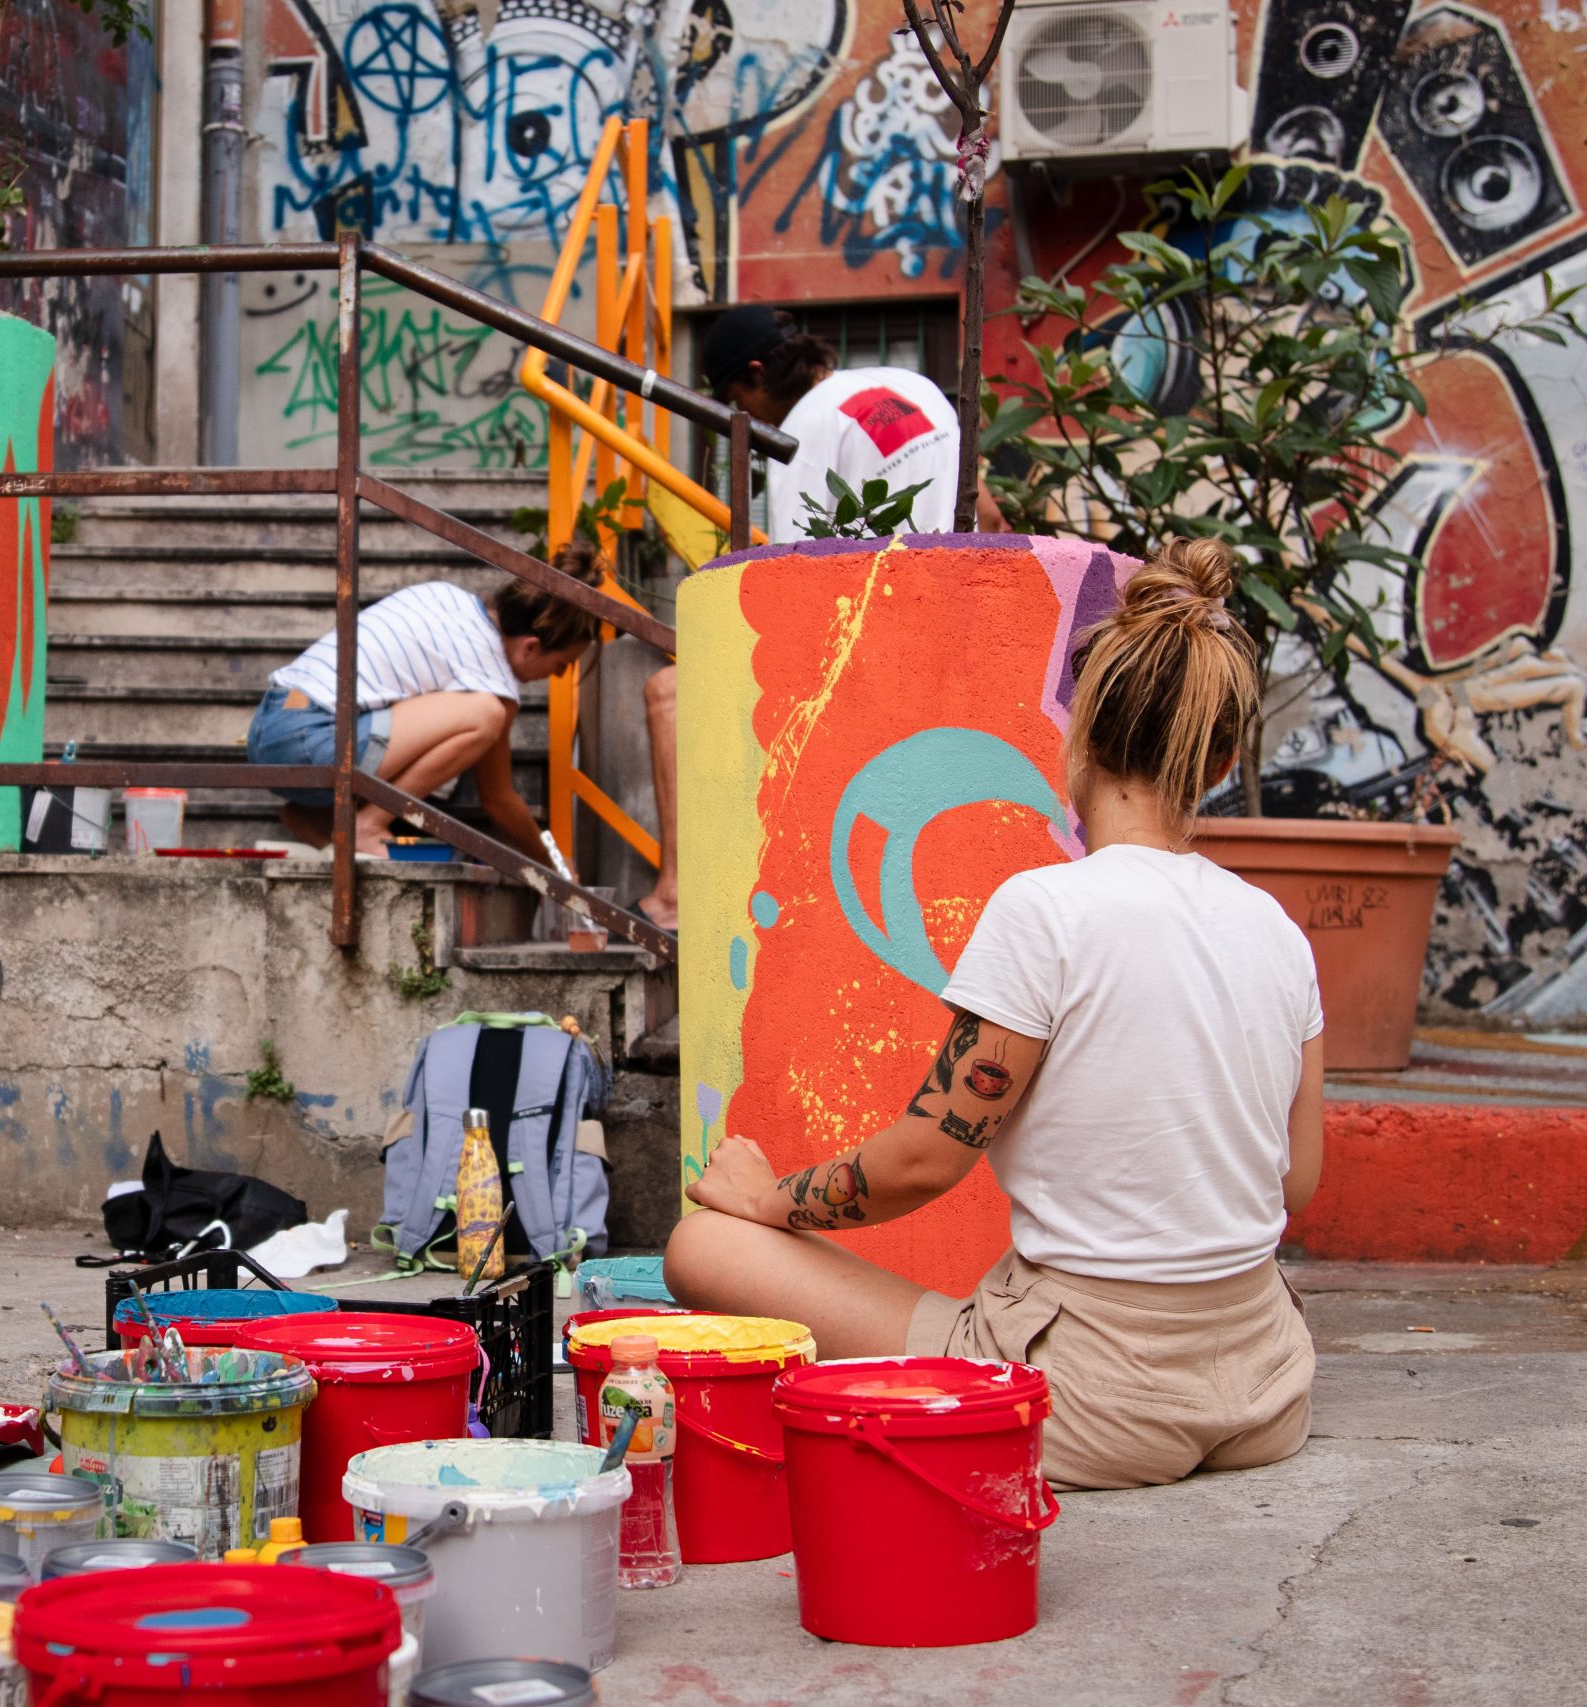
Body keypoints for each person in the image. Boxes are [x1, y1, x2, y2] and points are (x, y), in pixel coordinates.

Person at [662, 539, 1323, 1490]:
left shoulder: (1045, 909)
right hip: (1265, 1390)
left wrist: (769, 1200)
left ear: (1078, 729)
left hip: (1086, 1402)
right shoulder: (1278, 932)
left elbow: (928, 1157)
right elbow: (1297, 1178)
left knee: (705, 1244)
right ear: (1219, 760)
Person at [638, 307, 961, 929]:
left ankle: (679, 894)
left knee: (668, 694)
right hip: (934, 624)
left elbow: (797, 579)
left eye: (739, 401)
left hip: (862, 648)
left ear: (757, 374)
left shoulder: (807, 431)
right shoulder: (918, 389)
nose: (749, 422)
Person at [247, 552, 600, 858]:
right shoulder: (493, 679)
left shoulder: (445, 597)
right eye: (562, 664)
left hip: (272, 724)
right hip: (310, 740)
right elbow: (499, 800)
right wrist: (554, 864)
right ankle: (368, 826)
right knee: (484, 716)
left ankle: (317, 817)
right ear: (531, 647)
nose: (557, 676)